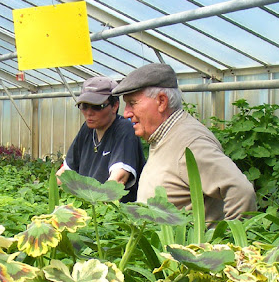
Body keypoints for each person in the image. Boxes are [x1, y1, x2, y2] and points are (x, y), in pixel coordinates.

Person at [111, 63, 256, 221]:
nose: (126, 114)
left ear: (161, 101)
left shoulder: (191, 143)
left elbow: (241, 192)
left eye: (132, 103)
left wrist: (228, 242)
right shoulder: (164, 136)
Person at [56, 76, 145, 202]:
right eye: (84, 106)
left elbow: (118, 179)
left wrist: (93, 209)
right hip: (89, 207)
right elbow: (65, 173)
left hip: (115, 214)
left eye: (97, 106)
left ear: (114, 106)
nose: (89, 112)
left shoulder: (124, 129)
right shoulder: (87, 129)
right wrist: (48, 194)